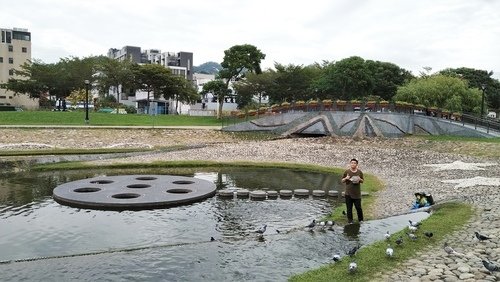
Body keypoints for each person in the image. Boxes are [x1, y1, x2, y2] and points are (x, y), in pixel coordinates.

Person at [341, 158, 364, 223]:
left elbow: (362, 181)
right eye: (352, 163)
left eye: (354, 163)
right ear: (350, 164)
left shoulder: (359, 172)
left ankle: (361, 220)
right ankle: (350, 221)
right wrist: (346, 178)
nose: (353, 164)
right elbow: (342, 180)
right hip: (348, 193)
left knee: (358, 208)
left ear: (357, 164)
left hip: (357, 194)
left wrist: (359, 179)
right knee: (349, 208)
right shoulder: (347, 172)